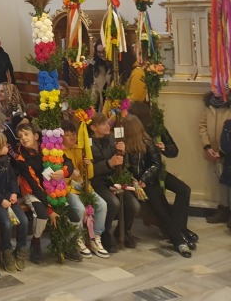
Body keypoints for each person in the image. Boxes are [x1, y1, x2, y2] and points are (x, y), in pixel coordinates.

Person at [127, 101, 197, 248]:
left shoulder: (156, 129)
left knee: (184, 190)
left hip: (157, 170)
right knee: (160, 201)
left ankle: (180, 228)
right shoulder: (131, 131)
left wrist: (165, 148)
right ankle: (178, 232)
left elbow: (174, 151)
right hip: (144, 176)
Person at [15, 122, 73, 263]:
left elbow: (68, 162)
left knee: (70, 212)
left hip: (52, 188)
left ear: (36, 136)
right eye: (20, 136)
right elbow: (34, 186)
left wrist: (63, 172)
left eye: (26, 134)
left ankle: (67, 244)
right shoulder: (21, 158)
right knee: (42, 214)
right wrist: (49, 209)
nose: (23, 138)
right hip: (32, 192)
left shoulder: (48, 147)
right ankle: (35, 242)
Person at [89, 113, 140, 251]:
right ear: (93, 127)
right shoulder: (89, 143)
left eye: (107, 123)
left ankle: (123, 231)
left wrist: (123, 153)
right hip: (98, 182)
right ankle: (104, 233)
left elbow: (124, 164)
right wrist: (108, 164)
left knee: (134, 205)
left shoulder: (112, 139)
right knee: (113, 203)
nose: (107, 126)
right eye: (103, 124)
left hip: (114, 180)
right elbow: (89, 170)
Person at [61, 120, 110, 258]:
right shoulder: (58, 153)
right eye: (67, 135)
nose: (72, 137)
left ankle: (95, 237)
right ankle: (78, 238)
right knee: (80, 209)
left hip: (84, 186)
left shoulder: (79, 149)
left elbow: (89, 175)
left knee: (102, 205)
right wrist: (70, 176)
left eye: (73, 134)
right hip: (69, 189)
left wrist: (88, 165)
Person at [0, 132, 28, 275]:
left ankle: (20, 250)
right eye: (4, 144)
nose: (7, 146)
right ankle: (6, 251)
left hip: (9, 198)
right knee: (7, 223)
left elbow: (13, 178)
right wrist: (1, 200)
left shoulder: (6, 160)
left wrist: (14, 193)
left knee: (24, 221)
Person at [199, 89, 231, 224]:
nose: (214, 90)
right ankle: (223, 210)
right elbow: (202, 126)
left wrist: (224, 151)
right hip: (214, 151)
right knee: (222, 182)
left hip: (228, 151)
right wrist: (207, 146)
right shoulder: (209, 104)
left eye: (218, 87)